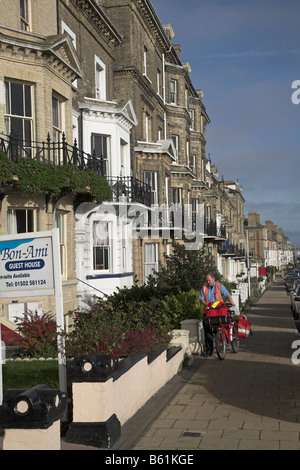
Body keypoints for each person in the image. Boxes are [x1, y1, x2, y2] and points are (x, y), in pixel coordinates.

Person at [199, 273, 235, 357]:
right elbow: (201, 299)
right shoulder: (204, 288)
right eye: (207, 280)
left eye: (209, 280)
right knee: (207, 331)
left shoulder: (219, 286)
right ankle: (209, 351)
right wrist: (207, 305)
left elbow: (227, 295)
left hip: (219, 311)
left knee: (221, 325)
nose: (208, 282)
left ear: (213, 279)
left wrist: (231, 302)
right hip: (208, 312)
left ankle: (222, 340)